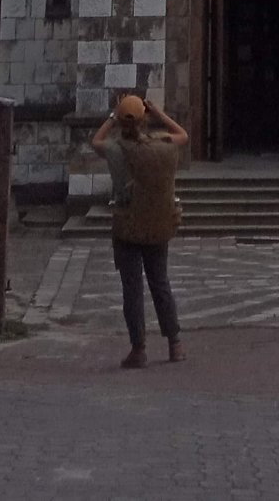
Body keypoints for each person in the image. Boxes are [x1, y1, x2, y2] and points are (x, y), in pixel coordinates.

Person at [92, 91, 188, 368]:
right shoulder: (164, 144)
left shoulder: (116, 149)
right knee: (161, 284)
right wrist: (158, 113)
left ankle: (139, 349)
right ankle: (176, 344)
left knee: (132, 289)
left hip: (128, 227)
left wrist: (113, 116)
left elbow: (95, 141)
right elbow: (183, 135)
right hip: (159, 225)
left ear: (121, 123)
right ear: (146, 120)